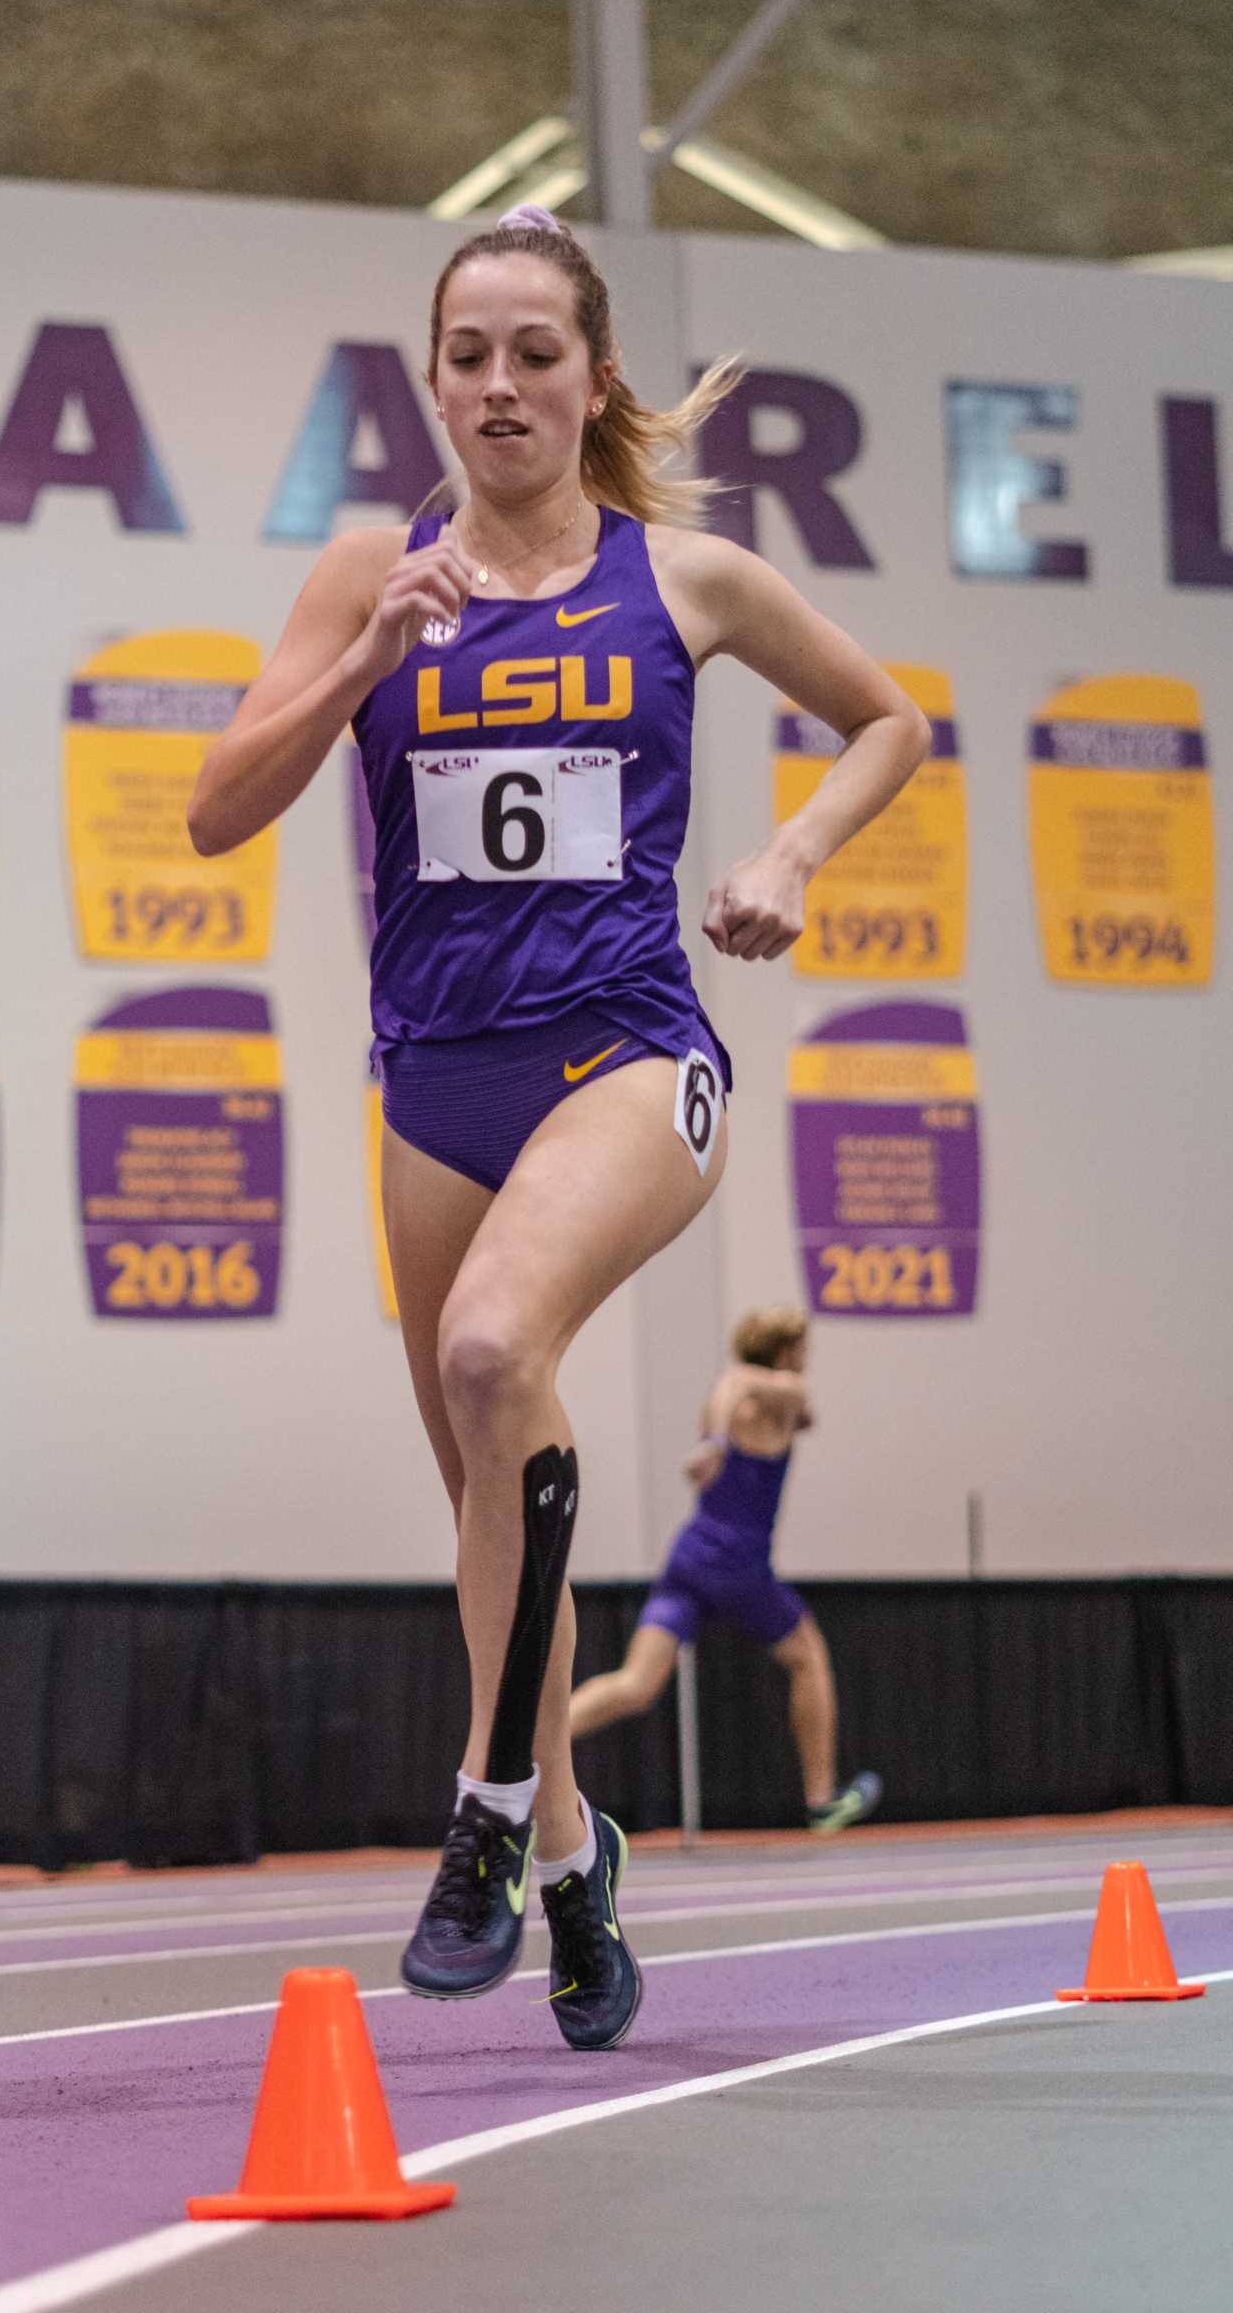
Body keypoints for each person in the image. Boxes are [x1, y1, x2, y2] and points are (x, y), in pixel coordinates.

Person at [189, 205, 928, 2049]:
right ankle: (588, 1858)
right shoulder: (366, 571)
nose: (502, 383)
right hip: (432, 1077)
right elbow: (214, 810)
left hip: (625, 1057)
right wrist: (367, 655)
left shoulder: (688, 578)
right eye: (469, 353)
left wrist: (784, 855)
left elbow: (890, 720)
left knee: (495, 1339)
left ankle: (493, 1818)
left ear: (595, 377)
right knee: (484, 1484)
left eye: (537, 351)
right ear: (429, 381)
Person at [569, 1306, 882, 1833]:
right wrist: (715, 1446)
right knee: (808, 1657)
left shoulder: (749, 1407)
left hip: (689, 1559)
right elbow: (739, 1382)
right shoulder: (774, 1390)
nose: (807, 1360)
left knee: (637, 1683)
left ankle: (528, 1753)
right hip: (737, 1565)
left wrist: (720, 1437)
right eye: (802, 1349)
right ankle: (822, 1799)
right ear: (785, 1352)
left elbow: (742, 1393)